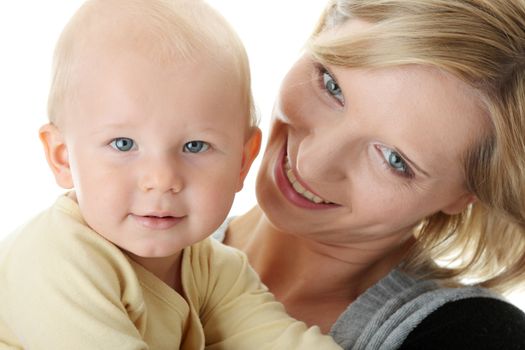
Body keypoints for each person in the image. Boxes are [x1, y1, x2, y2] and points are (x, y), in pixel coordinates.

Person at [0, 0, 343, 349]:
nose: (162, 179)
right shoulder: (54, 261)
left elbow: (280, 341)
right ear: (62, 158)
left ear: (242, 161)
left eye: (195, 146)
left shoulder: (214, 270)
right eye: (123, 143)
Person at [215, 0, 525, 348]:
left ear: (465, 195)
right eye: (332, 86)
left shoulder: (474, 336)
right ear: (319, 33)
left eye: (394, 159)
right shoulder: (150, 235)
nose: (311, 163)